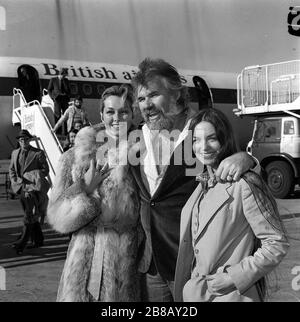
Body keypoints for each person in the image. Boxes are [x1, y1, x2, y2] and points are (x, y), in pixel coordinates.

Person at [130, 58, 258, 302]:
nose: (146, 105)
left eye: (154, 95)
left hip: (193, 262)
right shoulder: (138, 136)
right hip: (152, 263)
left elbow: (235, 161)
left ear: (177, 94)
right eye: (141, 98)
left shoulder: (200, 130)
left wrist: (248, 159)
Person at [174, 108, 289, 302]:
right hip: (197, 295)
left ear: (224, 139)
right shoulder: (202, 182)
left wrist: (233, 277)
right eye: (196, 140)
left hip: (229, 295)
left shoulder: (243, 184)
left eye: (212, 138)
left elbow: (276, 243)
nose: (204, 147)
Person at [47, 84, 141, 302]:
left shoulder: (145, 153)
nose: (116, 118)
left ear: (132, 113)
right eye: (110, 112)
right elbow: (57, 218)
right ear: (101, 114)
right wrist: (84, 190)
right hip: (85, 260)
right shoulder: (75, 156)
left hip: (129, 261)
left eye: (123, 111)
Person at [9, 129, 50, 255]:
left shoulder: (38, 153)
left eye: (26, 139)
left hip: (33, 190)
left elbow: (45, 170)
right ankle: (38, 240)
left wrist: (33, 177)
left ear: (30, 140)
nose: (23, 142)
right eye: (21, 140)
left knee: (28, 216)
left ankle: (21, 243)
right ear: (19, 141)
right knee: (32, 215)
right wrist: (17, 183)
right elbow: (12, 170)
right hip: (21, 188)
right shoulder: (15, 153)